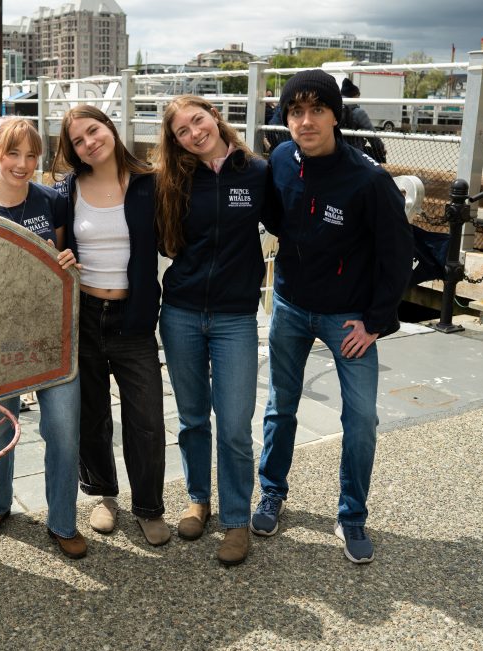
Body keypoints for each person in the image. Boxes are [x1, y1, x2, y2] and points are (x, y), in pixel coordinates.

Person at [253, 69, 412, 564]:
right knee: (282, 405)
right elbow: (276, 216)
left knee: (361, 418)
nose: (305, 121)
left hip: (348, 317)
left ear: (334, 116)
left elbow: (397, 254)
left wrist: (376, 322)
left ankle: (352, 516)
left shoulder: (368, 180)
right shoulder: (280, 159)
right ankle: (272, 492)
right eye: (295, 111)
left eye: (316, 110)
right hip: (291, 306)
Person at [0, 116, 87, 560]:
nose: (22, 163)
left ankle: (62, 521)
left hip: (52, 337)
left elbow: (62, 262)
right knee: (0, 429)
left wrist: (68, 260)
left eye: (31, 155)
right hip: (0, 341)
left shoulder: (52, 202)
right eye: (13, 153)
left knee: (62, 430)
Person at [153, 95, 269, 566]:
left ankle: (236, 519)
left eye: (197, 120)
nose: (194, 133)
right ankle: (198, 499)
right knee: (193, 418)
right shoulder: (174, 180)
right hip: (180, 311)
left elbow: (295, 219)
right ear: (175, 140)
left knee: (236, 424)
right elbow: (159, 238)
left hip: (235, 317)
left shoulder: (257, 173)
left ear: (214, 116)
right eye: (182, 130)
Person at [52, 105, 168, 546]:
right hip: (85, 316)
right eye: (78, 140)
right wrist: (62, 260)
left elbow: (175, 237)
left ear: (110, 128)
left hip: (133, 319)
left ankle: (149, 506)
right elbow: (56, 252)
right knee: (92, 415)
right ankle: (104, 495)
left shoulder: (148, 183)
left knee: (147, 418)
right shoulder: (68, 189)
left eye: (93, 131)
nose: (88, 143)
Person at [339, 78, 387, 163]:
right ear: (355, 95)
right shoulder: (358, 112)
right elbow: (372, 135)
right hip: (354, 153)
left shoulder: (334, 108)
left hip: (335, 151)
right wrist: (381, 149)